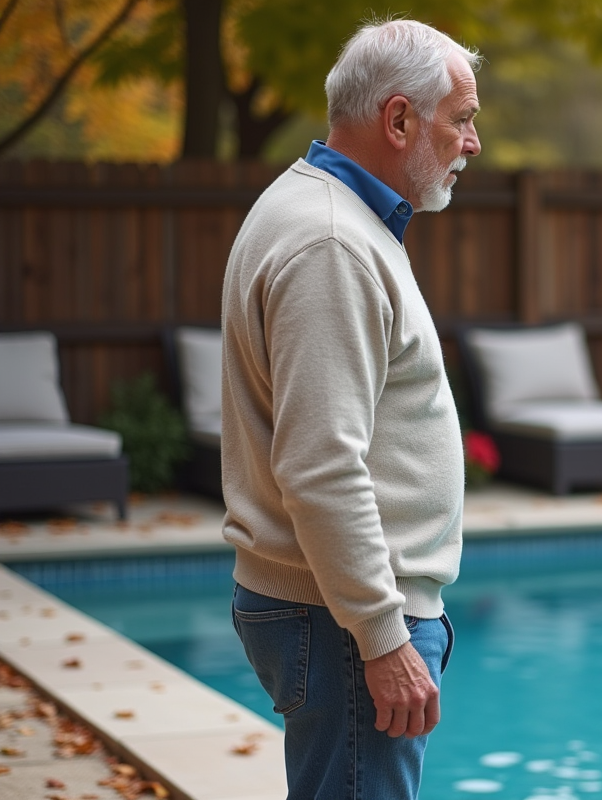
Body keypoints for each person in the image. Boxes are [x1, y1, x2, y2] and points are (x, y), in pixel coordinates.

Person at [220, 19, 480, 799]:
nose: (472, 143)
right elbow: (321, 463)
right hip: (341, 622)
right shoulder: (332, 242)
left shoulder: (332, 216)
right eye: (461, 119)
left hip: (335, 613)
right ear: (398, 121)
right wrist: (381, 633)